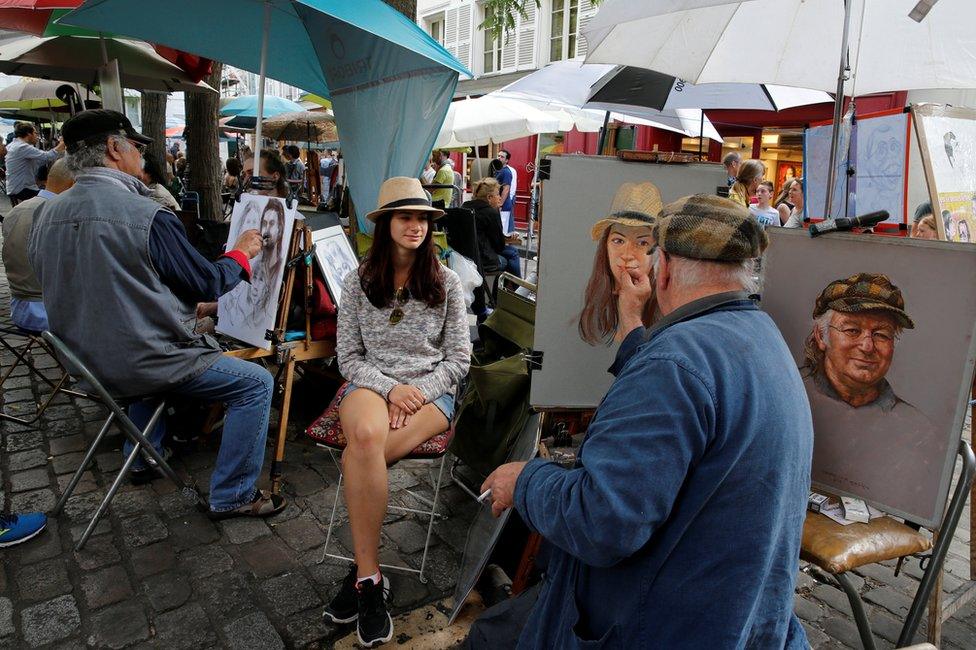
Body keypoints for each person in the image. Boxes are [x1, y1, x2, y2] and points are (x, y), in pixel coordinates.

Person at [480, 194, 812, 648]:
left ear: (668, 268)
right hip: (742, 617)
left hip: (663, 625)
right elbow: (688, 396)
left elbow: (603, 521)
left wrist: (525, 482)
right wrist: (632, 323)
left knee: (489, 639)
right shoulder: (761, 334)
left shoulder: (673, 365)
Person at [28, 109, 286, 518]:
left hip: (83, 365)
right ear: (115, 148)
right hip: (141, 363)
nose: (142, 158)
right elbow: (207, 282)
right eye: (135, 147)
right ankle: (233, 495)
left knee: (164, 343)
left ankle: (145, 455)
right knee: (255, 383)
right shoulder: (146, 213)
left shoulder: (45, 214)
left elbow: (108, 286)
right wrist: (243, 252)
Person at [324, 177, 471, 646]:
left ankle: (361, 578)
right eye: (406, 217)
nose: (416, 226)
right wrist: (391, 390)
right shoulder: (358, 280)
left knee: (359, 457)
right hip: (371, 382)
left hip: (432, 393)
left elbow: (459, 361)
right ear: (386, 223)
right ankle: (372, 579)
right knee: (366, 439)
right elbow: (348, 358)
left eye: (424, 218)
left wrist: (418, 391)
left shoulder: (445, 281)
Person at [802, 273, 936, 514]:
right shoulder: (793, 395)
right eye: (852, 330)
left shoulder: (915, 427)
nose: (867, 346)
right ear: (821, 336)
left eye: (881, 334)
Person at [1, 159, 74, 332]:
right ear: (73, 183)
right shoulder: (63, 215)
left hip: (20, 309)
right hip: (50, 314)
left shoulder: (16, 211)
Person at [462, 178, 521, 322]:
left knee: (511, 253)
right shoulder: (490, 212)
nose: (500, 197)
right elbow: (499, 246)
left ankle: (511, 291)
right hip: (485, 259)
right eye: (497, 194)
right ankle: (517, 291)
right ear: (489, 198)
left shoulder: (464, 207)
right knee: (511, 254)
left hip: (466, 257)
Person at [6, 122, 64, 205]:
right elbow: (47, 156)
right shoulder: (22, 147)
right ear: (28, 134)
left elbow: (41, 160)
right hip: (23, 189)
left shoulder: (13, 145)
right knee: (55, 199)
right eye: (35, 133)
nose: (37, 136)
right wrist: (62, 144)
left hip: (15, 187)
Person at [495, 149, 517, 234]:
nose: (499, 158)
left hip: (503, 207)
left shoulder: (506, 172)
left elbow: (506, 189)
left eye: (502, 157)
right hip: (497, 204)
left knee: (502, 231)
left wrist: (500, 204)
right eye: (498, 156)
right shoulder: (497, 170)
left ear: (507, 160)